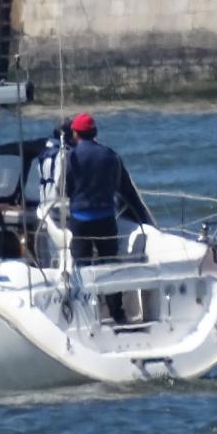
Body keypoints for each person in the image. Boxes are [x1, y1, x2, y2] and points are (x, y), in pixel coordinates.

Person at [65, 113, 128, 322]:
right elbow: (117, 183)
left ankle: (86, 313)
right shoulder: (109, 155)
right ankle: (116, 311)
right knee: (109, 264)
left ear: (75, 133)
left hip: (81, 217)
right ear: (95, 132)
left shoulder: (72, 156)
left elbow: (68, 187)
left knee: (82, 264)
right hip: (106, 217)